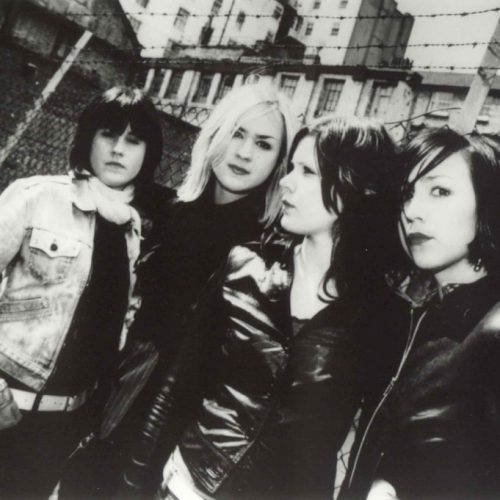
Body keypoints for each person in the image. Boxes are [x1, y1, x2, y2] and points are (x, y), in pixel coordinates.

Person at [122, 115, 398, 499]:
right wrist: (133, 487)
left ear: (358, 188)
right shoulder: (244, 267)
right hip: (185, 486)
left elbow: (375, 439)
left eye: (308, 171)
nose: (286, 181)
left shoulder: (384, 314)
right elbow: (175, 388)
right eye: (291, 168)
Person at [0, 85, 163, 499]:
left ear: (148, 153)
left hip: (58, 432)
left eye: (133, 140)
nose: (118, 149)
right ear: (89, 137)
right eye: (108, 133)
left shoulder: (136, 233)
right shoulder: (38, 197)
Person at [343, 128, 500, 500]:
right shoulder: (420, 314)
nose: (413, 212)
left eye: (440, 191)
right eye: (407, 194)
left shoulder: (492, 332)